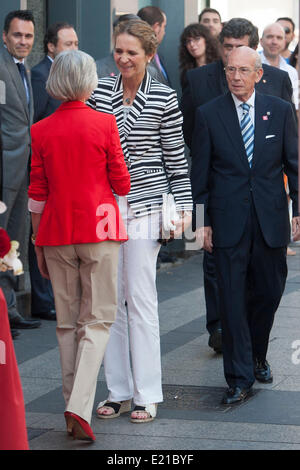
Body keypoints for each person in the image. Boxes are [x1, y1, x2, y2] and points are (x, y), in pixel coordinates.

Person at [87, 19, 193, 423]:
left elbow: (177, 161)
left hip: (147, 206)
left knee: (141, 296)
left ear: (149, 54)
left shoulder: (165, 98)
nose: (123, 58)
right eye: (119, 50)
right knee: (108, 299)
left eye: (132, 51)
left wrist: (184, 209)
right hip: (104, 207)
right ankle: (118, 390)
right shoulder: (99, 91)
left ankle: (147, 393)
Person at [28, 50, 131, 441]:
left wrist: (37, 242)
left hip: (55, 233)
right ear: (89, 82)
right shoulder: (105, 124)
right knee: (99, 320)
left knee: (67, 324)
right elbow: (121, 182)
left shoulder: (41, 129)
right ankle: (78, 406)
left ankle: (74, 409)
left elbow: (38, 191)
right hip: (100, 229)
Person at [191, 46, 300, 405]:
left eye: (242, 70)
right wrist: (200, 223)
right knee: (232, 299)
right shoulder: (209, 114)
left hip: (270, 219)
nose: (235, 77)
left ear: (258, 74)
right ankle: (239, 378)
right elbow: (199, 174)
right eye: (230, 70)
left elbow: (294, 165)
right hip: (226, 221)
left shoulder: (281, 112)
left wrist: (298, 210)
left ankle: (256, 355)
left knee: (269, 292)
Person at [28, 22, 79, 323]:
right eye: (68, 43)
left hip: (62, 170)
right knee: (40, 234)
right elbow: (33, 121)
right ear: (51, 46)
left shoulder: (66, 73)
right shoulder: (39, 75)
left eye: (76, 43)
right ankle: (43, 299)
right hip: (43, 170)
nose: (74, 48)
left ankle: (53, 296)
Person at [0, 10, 41, 333]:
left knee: (12, 242)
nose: (23, 41)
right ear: (4, 36)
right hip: (4, 169)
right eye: (17, 35)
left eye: (28, 36)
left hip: (21, 170)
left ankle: (9, 308)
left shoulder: (21, 68)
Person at [260, 23, 298, 110]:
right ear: (261, 41)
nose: (274, 42)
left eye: (279, 38)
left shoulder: (291, 71)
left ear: (284, 42)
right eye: (270, 37)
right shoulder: (253, 67)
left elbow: (294, 105)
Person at [179, 23, 220, 88]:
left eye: (197, 39)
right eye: (188, 41)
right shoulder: (186, 73)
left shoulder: (220, 66)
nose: (192, 44)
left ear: (206, 40)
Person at [137, 6, 171, 86]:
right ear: (156, 27)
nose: (164, 32)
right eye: (164, 26)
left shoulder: (159, 57)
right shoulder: (140, 58)